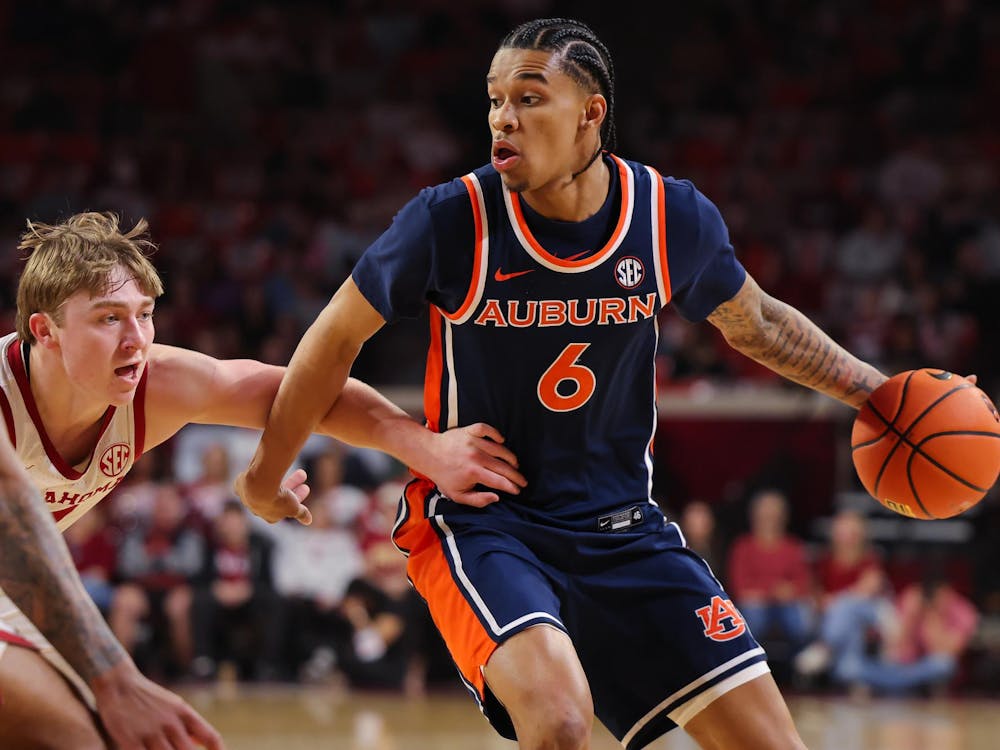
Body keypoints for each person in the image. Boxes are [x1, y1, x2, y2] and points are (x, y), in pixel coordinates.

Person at [236, 17, 891, 750]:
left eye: (528, 98)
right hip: (488, 520)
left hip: (622, 527)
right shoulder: (452, 219)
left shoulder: (668, 215)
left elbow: (758, 325)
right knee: (560, 724)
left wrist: (883, 397)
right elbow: (331, 340)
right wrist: (267, 472)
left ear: (591, 113)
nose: (502, 119)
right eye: (492, 100)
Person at [0, 211, 526, 749]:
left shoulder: (160, 384)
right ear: (45, 331)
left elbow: (305, 393)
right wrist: (115, 677)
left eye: (145, 314)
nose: (136, 339)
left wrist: (427, 449)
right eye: (109, 318)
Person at [726, 489, 813, 656]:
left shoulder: (793, 547)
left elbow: (803, 584)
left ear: (784, 516)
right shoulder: (742, 547)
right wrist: (774, 590)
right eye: (765, 512)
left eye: (774, 513)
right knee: (753, 614)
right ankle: (748, 664)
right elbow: (739, 587)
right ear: (754, 516)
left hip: (787, 605)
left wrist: (787, 591)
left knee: (801, 618)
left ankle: (800, 667)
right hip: (754, 606)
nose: (769, 517)